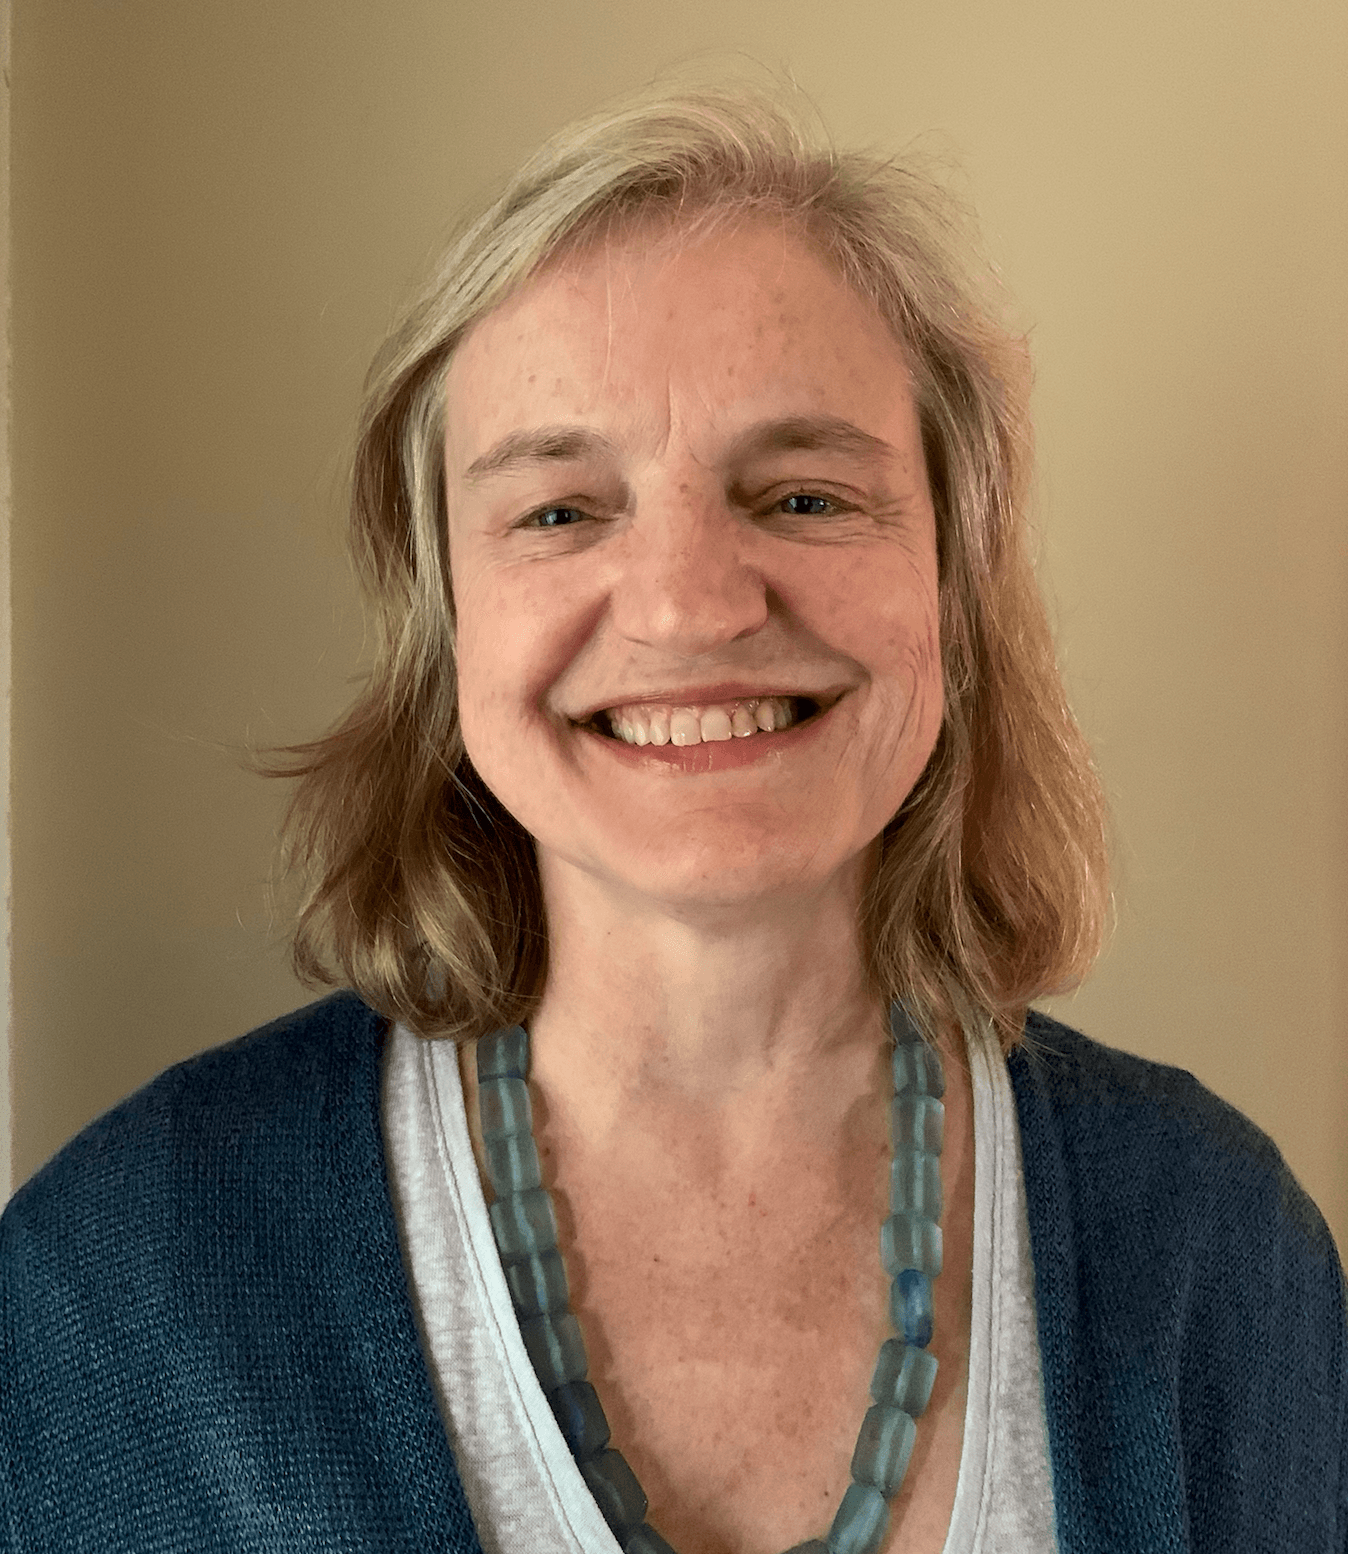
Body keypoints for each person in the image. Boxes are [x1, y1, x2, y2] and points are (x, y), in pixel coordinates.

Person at [2, 83, 1343, 1554]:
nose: (694, 604)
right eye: (563, 510)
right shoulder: (119, 1280)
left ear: (950, 590)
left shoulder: (1221, 1253)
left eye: (806, 497)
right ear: (446, 625)